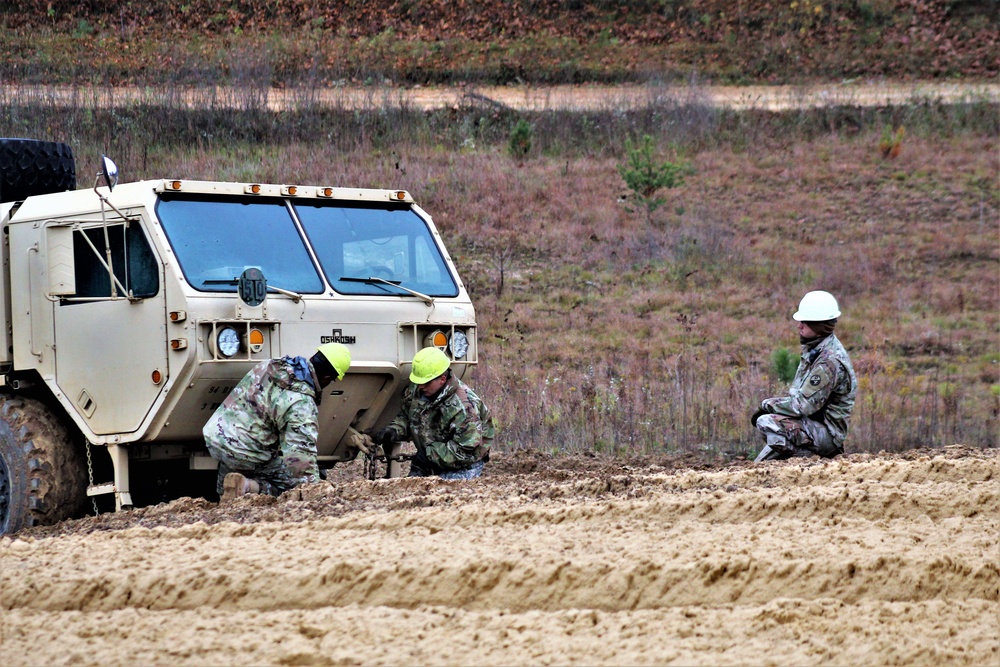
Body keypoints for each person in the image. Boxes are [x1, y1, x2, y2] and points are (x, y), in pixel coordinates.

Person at [204, 342, 352, 500]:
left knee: (233, 464)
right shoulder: (301, 403)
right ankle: (247, 487)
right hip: (248, 453)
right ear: (328, 378)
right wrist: (313, 488)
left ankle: (226, 494)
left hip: (218, 438)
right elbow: (300, 458)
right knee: (289, 488)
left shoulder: (272, 365)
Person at [751, 290, 857, 462]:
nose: (799, 325)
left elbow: (802, 405)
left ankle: (809, 460)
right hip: (814, 425)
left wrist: (767, 405)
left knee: (767, 422)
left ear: (818, 326)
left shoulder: (828, 361)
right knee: (765, 454)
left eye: (804, 323)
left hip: (827, 433)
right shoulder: (816, 349)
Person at [373, 347, 494, 479]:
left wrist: (428, 456)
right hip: (434, 458)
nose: (420, 386)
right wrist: (395, 430)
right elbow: (407, 416)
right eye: (418, 382)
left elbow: (466, 450)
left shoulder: (465, 408)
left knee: (442, 492)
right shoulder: (418, 389)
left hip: (464, 464)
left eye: (425, 382)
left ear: (442, 379)